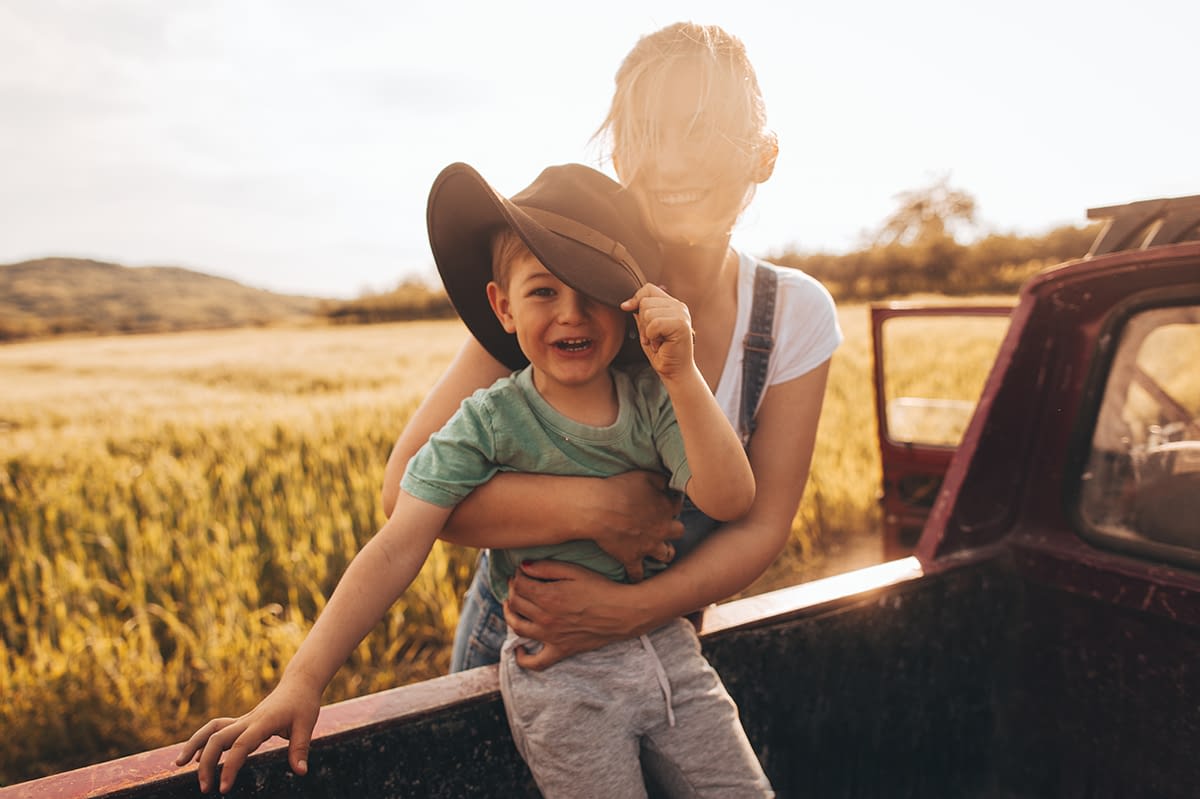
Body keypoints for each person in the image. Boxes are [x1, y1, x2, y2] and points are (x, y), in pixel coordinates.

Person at [175, 161, 774, 797]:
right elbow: (398, 542)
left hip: (673, 656)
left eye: (594, 292)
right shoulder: (487, 424)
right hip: (560, 680)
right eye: (544, 291)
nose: (571, 313)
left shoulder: (655, 400)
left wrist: (683, 376)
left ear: (629, 307)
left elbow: (731, 498)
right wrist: (302, 681)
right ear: (502, 306)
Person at [380, 22, 842, 674]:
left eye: (702, 130)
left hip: (664, 649)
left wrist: (627, 611)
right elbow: (405, 490)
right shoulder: (561, 303)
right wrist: (596, 506)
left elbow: (762, 524)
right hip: (519, 649)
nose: (674, 162)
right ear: (619, 161)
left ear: (762, 156)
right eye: (649, 136)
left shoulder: (793, 314)